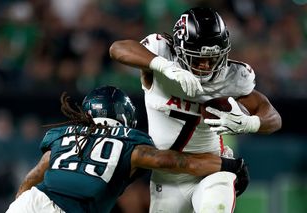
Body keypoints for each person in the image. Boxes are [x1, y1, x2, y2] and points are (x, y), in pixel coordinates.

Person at [109, 7, 282, 213]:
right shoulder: (162, 55)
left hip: (212, 168)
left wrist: (251, 123)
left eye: (213, 58)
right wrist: (163, 66)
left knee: (214, 208)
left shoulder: (232, 77)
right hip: (167, 176)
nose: (206, 66)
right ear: (179, 50)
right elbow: (117, 49)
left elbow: (273, 116)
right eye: (198, 58)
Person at [6, 85, 248, 213]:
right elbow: (178, 162)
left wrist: (20, 203)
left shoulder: (65, 135)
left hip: (28, 204)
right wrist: (229, 164)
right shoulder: (129, 142)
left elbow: (34, 176)